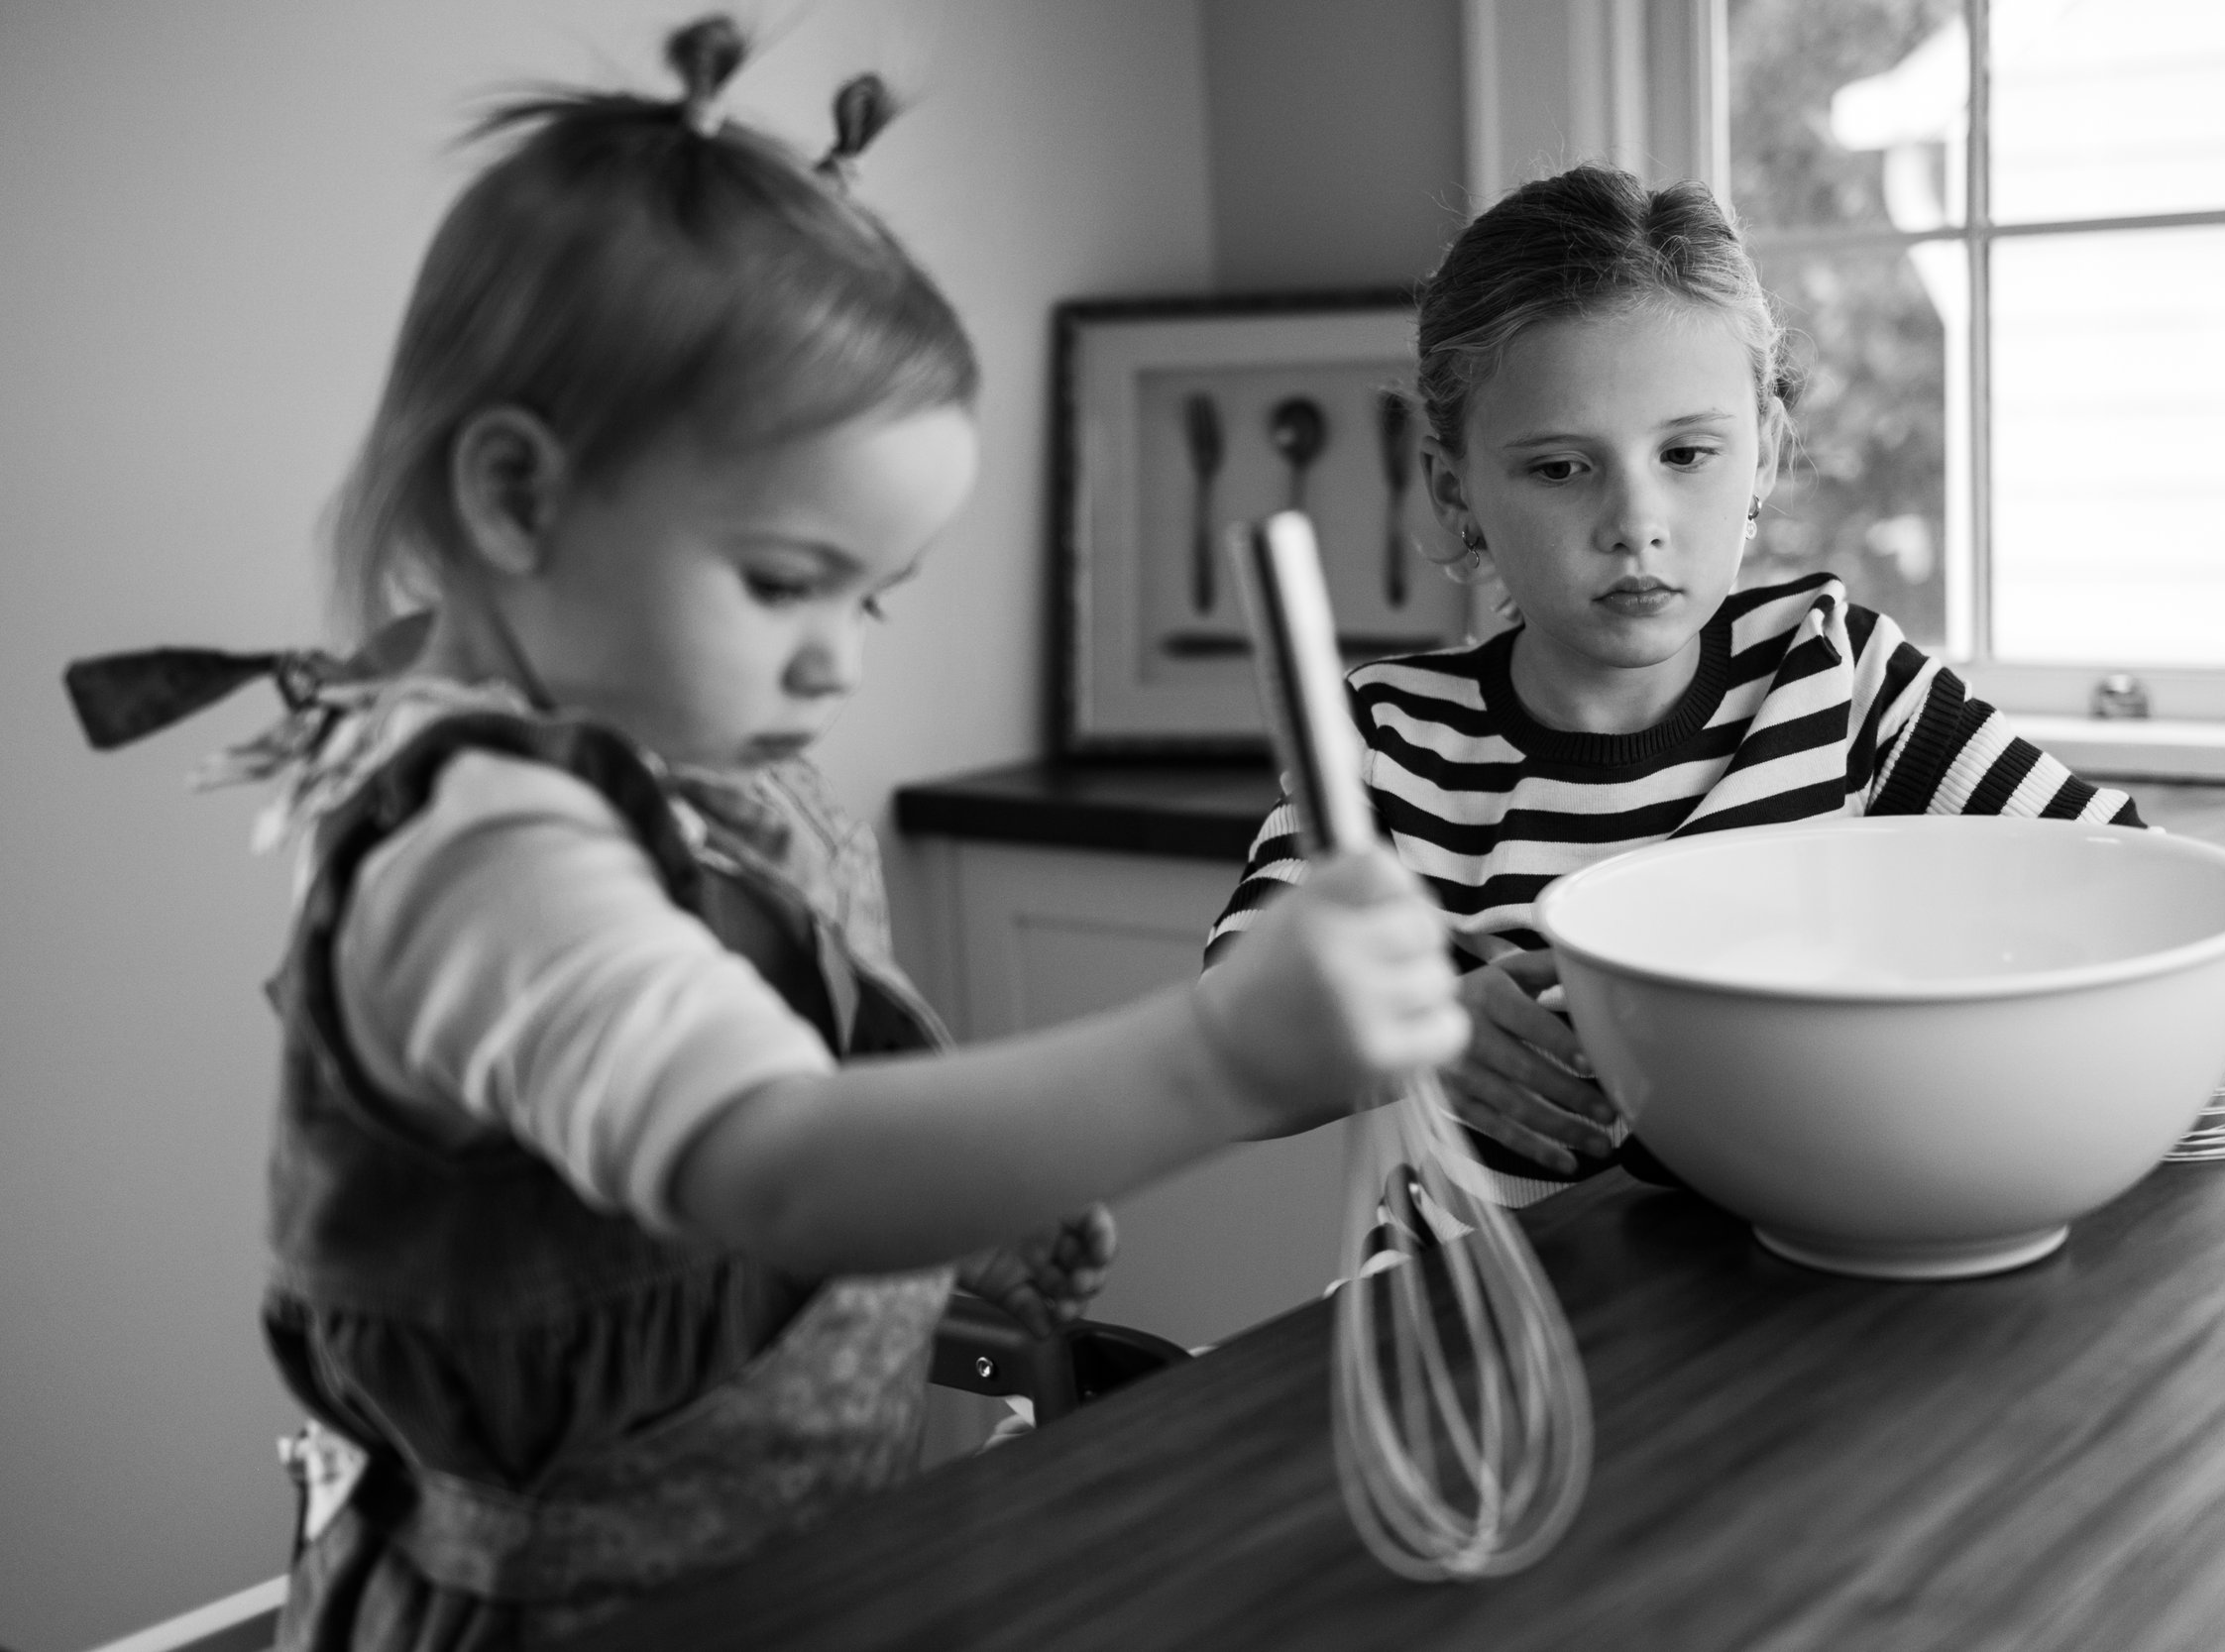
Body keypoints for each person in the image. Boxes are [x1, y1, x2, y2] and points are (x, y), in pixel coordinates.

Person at [62, 19, 1465, 1650]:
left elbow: (776, 1099)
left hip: (792, 1561)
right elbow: (775, 1167)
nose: (842, 656)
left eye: (879, 594)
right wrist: (1219, 1056)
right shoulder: (484, 853)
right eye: (788, 580)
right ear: (517, 499)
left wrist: (945, 1227)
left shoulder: (701, 768)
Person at [1205, 165, 2140, 1211]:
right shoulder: (1389, 740)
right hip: (1496, 1320)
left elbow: (2124, 888)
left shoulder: (1839, 678)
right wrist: (1415, 1035)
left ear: (1765, 458)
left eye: (1688, 452)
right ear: (1452, 486)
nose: (1634, 520)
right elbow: (1234, 1041)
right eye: (1561, 467)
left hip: (1812, 1289)